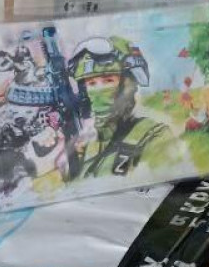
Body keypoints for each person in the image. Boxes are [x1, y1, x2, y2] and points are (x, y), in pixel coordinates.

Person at [67, 37, 178, 178]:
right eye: (91, 83)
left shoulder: (154, 136)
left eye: (108, 80)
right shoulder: (90, 145)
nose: (99, 91)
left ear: (127, 85)